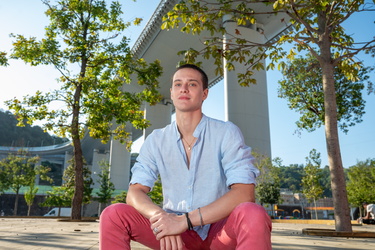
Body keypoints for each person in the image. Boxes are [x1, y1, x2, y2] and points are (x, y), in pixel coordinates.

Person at [99, 64, 272, 250]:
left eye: (192, 84)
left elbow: (245, 193)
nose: (184, 88)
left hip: (219, 232)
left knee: (253, 213)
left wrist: (185, 221)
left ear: (204, 94)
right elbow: (135, 193)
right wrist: (162, 218)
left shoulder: (226, 132)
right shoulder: (156, 140)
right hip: (175, 236)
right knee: (113, 214)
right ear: (172, 92)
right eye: (178, 84)